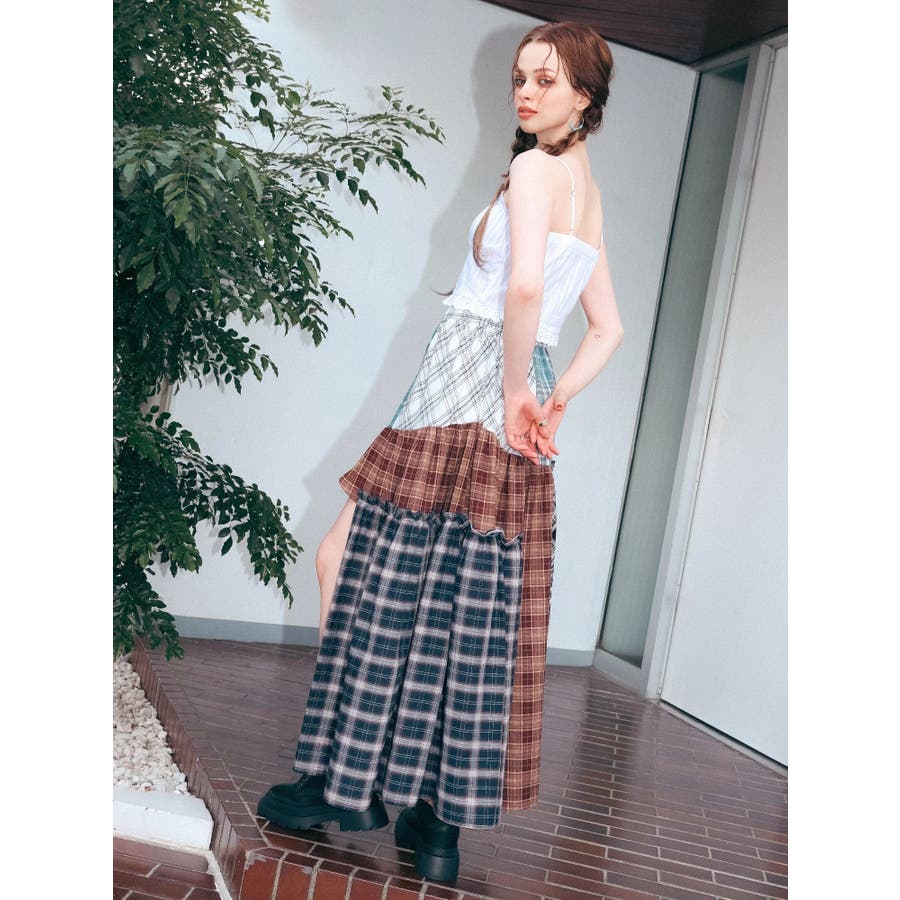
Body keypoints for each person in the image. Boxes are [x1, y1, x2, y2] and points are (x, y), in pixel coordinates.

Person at [257, 20, 623, 883]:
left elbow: (524, 286)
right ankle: (435, 826)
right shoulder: (587, 190)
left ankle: (341, 782)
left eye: (546, 80)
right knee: (469, 614)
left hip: (463, 390)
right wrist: (551, 400)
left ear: (584, 97)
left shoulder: (535, 172)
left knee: (357, 568)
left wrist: (513, 391)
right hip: (513, 413)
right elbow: (608, 329)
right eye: (521, 76)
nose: (525, 92)